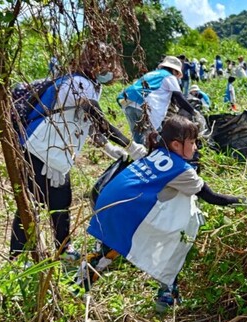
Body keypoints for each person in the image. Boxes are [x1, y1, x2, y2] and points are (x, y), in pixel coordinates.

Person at [84, 115, 243, 312]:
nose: (195, 148)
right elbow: (213, 198)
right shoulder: (183, 170)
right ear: (176, 144)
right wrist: (246, 202)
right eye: (192, 143)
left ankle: (83, 278)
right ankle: (167, 290)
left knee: (112, 246)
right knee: (180, 234)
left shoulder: (157, 152)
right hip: (126, 209)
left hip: (107, 199)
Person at [10, 42, 148, 259]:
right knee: (32, 203)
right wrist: (130, 145)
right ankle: (18, 256)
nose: (111, 70)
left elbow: (87, 125)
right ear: (97, 63)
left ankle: (62, 249)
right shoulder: (78, 83)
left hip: (55, 153)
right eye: (108, 64)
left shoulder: (88, 84)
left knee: (60, 201)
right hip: (39, 150)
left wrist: (108, 148)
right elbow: (97, 118)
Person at [117, 56, 204, 145]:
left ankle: (139, 156)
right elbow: (179, 97)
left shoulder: (151, 74)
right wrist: (194, 112)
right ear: (174, 70)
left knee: (139, 138)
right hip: (144, 105)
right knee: (155, 137)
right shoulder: (169, 76)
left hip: (128, 102)